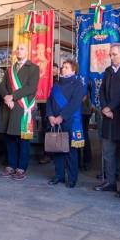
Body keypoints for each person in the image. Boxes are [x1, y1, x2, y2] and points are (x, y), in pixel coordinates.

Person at [94, 43, 120, 195]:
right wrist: (105, 107)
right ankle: (110, 181)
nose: (111, 57)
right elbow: (101, 92)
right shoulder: (108, 71)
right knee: (108, 152)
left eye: (115, 54)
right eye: (110, 55)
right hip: (108, 117)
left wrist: (111, 108)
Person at [0, 43, 39, 181]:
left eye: (22, 49)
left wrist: (13, 97)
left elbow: (31, 88)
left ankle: (21, 168)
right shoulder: (10, 69)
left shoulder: (33, 68)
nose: (19, 51)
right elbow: (1, 86)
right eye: (18, 49)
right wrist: (5, 97)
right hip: (8, 108)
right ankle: (11, 165)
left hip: (23, 108)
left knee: (23, 140)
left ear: (27, 52)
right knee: (9, 139)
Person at [46, 59, 84, 187]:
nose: (63, 69)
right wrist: (50, 116)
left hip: (70, 121)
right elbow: (49, 101)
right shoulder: (56, 84)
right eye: (63, 67)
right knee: (57, 150)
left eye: (67, 67)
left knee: (70, 152)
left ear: (73, 70)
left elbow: (75, 103)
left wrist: (61, 117)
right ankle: (59, 176)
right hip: (55, 121)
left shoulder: (78, 84)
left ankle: (72, 178)